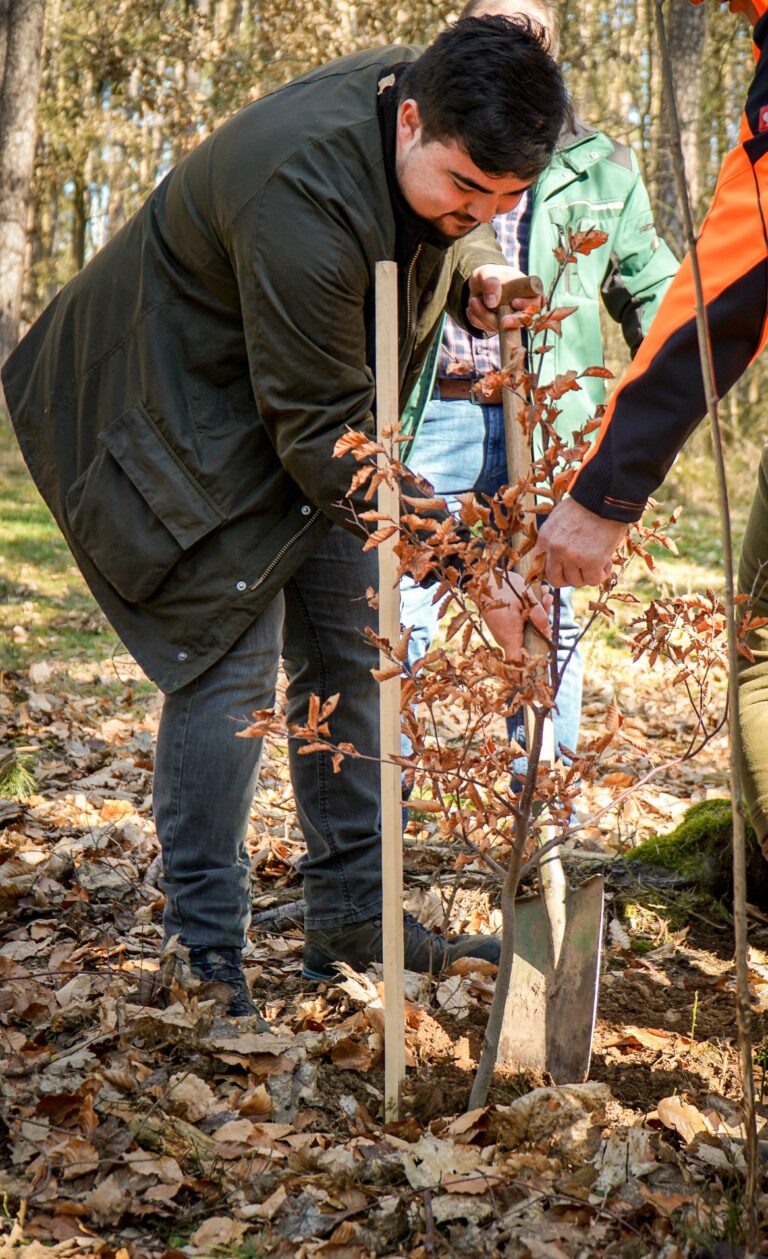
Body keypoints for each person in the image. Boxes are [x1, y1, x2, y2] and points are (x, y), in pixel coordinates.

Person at [2, 18, 567, 1019]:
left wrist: (478, 257)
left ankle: (355, 923)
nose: (480, 209)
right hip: (168, 403)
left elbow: (338, 404)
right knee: (228, 662)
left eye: (506, 197)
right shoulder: (299, 191)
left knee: (356, 648)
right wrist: (480, 565)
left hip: (293, 408)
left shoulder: (424, 109)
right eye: (465, 188)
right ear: (409, 124)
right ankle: (203, 961)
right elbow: (325, 434)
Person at [400, 0, 677, 770]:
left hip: (549, 424)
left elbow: (655, 298)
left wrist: (662, 407)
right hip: (436, 410)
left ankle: (541, 821)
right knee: (403, 607)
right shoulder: (423, 141)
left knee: (544, 622)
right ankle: (381, 832)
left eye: (534, 35)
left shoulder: (605, 169)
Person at [535, 0, 768, 841]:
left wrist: (608, 488)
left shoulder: (603, 166)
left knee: (763, 660)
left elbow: (727, 289)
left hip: (581, 426)